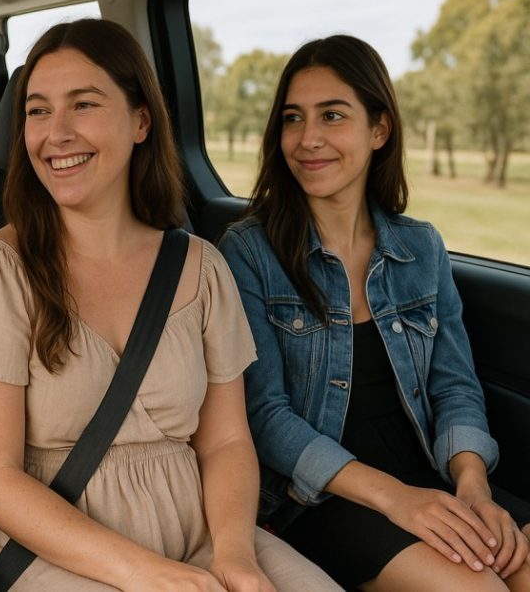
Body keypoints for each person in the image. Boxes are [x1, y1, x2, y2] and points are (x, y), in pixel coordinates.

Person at [0, 19, 339, 591]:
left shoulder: (200, 267)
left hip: (203, 531)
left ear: (141, 120)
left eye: (83, 105)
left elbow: (225, 441)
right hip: (51, 550)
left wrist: (236, 556)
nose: (56, 133)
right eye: (38, 111)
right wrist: (150, 575)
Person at [219, 34, 530, 591]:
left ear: (379, 129)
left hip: (429, 476)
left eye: (332, 115)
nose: (308, 139)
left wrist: (472, 487)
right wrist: (399, 501)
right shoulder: (246, 252)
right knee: (477, 588)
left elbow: (454, 386)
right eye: (293, 118)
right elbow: (264, 416)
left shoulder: (421, 247)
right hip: (316, 494)